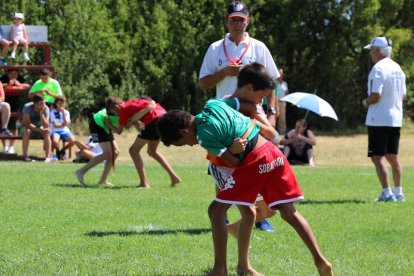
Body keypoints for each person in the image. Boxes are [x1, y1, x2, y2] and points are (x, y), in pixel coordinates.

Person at [157, 100, 333, 276]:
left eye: (183, 142)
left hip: (256, 159)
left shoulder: (204, 136)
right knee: (288, 212)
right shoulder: (212, 104)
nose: (190, 144)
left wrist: (231, 149)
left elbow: (235, 162)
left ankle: (220, 269)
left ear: (184, 131)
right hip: (273, 152)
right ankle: (320, 260)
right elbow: (239, 104)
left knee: (216, 211)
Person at [199, 1, 280, 231]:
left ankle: (259, 215)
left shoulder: (258, 47)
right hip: (224, 115)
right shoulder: (215, 48)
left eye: (240, 19)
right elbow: (203, 82)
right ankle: (222, 215)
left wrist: (272, 112)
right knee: (222, 161)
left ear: (248, 20)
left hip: (253, 113)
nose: (237, 23)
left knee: (256, 162)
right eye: (233, 19)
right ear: (227, 20)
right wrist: (224, 72)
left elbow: (272, 82)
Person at [362, 36, 407, 202]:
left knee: (377, 157)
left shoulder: (378, 69)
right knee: (393, 156)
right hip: (396, 118)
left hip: (378, 118)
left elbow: (375, 96)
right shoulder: (398, 68)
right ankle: (398, 192)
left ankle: (387, 193)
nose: (371, 54)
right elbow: (403, 96)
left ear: (377, 51)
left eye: (372, 51)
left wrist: (365, 102)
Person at [103, 96, 181, 188]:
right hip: (164, 118)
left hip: (153, 120)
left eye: (114, 113)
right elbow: (138, 125)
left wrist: (109, 124)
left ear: (116, 107)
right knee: (152, 151)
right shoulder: (132, 103)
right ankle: (174, 177)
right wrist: (131, 122)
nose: (116, 115)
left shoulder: (123, 109)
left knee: (133, 151)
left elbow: (119, 131)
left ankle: (144, 183)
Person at [75, 98, 121, 187]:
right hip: (97, 125)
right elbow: (120, 130)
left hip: (104, 126)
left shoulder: (118, 112)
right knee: (108, 153)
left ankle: (102, 181)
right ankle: (81, 171)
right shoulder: (109, 115)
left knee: (115, 152)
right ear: (113, 108)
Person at [0, 69, 31, 153]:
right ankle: (5, 146)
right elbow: (1, 84)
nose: (13, 76)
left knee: (13, 125)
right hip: (4, 103)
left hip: (16, 104)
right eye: (11, 74)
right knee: (2, 125)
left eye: (15, 74)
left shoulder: (19, 78)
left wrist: (19, 84)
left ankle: (11, 146)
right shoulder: (3, 78)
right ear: (7, 74)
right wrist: (8, 84)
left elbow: (28, 85)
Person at [21, 94, 52, 162]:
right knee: (27, 131)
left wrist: (41, 114)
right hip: (26, 128)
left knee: (46, 132)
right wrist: (40, 130)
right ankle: (25, 156)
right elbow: (27, 124)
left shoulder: (46, 108)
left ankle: (48, 157)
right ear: (35, 104)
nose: (43, 105)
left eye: (44, 103)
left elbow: (46, 125)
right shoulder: (27, 107)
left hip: (39, 128)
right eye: (41, 103)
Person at [49, 96, 75, 160]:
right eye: (60, 103)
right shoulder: (52, 112)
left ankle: (62, 150)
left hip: (65, 131)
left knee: (73, 141)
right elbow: (55, 125)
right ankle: (58, 151)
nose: (62, 105)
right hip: (55, 131)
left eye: (63, 103)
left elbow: (66, 123)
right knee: (55, 142)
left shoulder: (66, 112)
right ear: (56, 104)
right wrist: (63, 124)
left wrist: (63, 114)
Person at [276, 68, 289, 135]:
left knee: (282, 118)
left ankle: (282, 132)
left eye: (281, 74)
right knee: (274, 116)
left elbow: (287, 93)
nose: (280, 75)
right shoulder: (275, 83)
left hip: (283, 102)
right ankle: (273, 131)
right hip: (275, 101)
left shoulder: (285, 83)